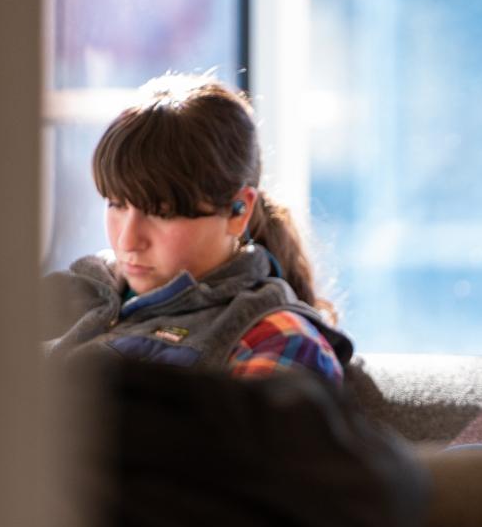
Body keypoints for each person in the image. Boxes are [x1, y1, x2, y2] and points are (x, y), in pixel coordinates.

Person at [43, 73, 351, 382]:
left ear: (238, 211)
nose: (128, 240)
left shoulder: (277, 340)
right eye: (116, 205)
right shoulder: (84, 290)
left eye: (162, 213)